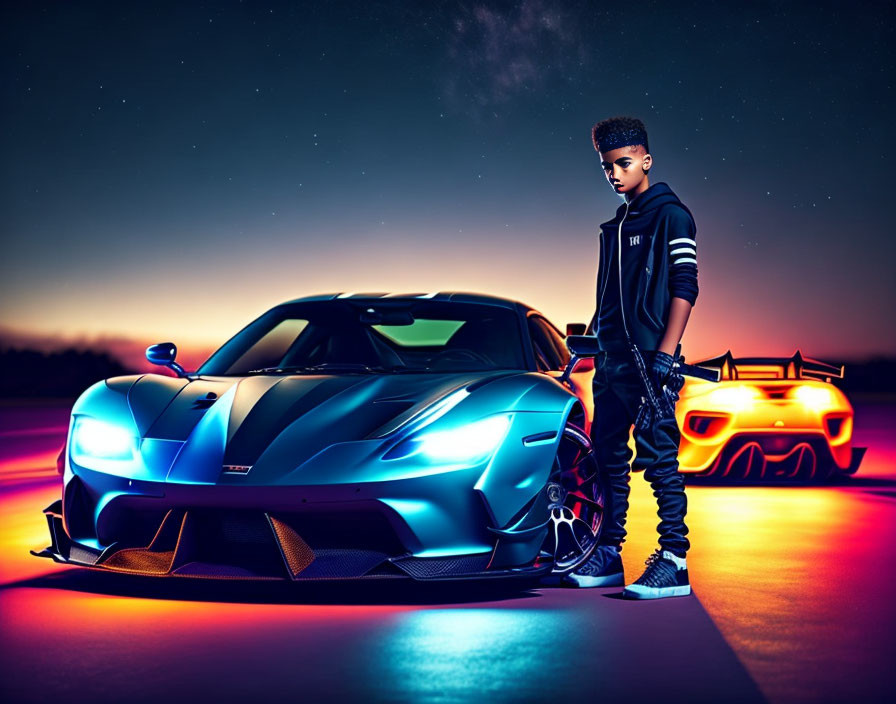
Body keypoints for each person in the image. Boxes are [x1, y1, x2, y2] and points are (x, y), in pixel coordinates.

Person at [566, 116, 698, 599]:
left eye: (623, 163)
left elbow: (686, 287)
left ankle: (674, 561)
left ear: (646, 160)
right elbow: (609, 296)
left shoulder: (672, 215)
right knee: (607, 458)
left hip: (650, 362)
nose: (615, 174)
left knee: (660, 459)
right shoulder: (615, 227)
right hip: (612, 362)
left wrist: (665, 356)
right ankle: (607, 554)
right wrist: (591, 340)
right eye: (607, 167)